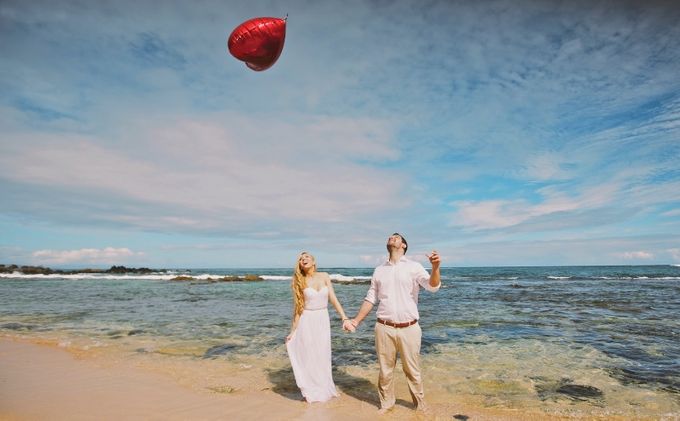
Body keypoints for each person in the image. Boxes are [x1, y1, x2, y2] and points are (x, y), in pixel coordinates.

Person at [348, 233, 441, 413]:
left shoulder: (414, 267)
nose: (392, 238)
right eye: (390, 237)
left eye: (396, 237)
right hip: (383, 327)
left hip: (410, 328)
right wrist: (356, 321)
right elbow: (370, 298)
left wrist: (436, 268)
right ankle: (386, 404)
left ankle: (420, 405)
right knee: (385, 371)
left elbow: (433, 286)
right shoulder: (379, 270)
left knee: (412, 371)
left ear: (404, 245)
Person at [285, 251, 355, 402]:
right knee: (309, 355)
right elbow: (298, 309)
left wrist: (344, 317)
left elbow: (333, 298)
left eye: (306, 257)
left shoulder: (324, 276)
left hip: (322, 319)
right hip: (307, 320)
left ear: (314, 261)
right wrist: (293, 331)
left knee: (322, 354)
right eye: (301, 259)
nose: (304, 259)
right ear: (300, 265)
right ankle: (310, 390)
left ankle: (324, 388)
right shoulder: (299, 280)